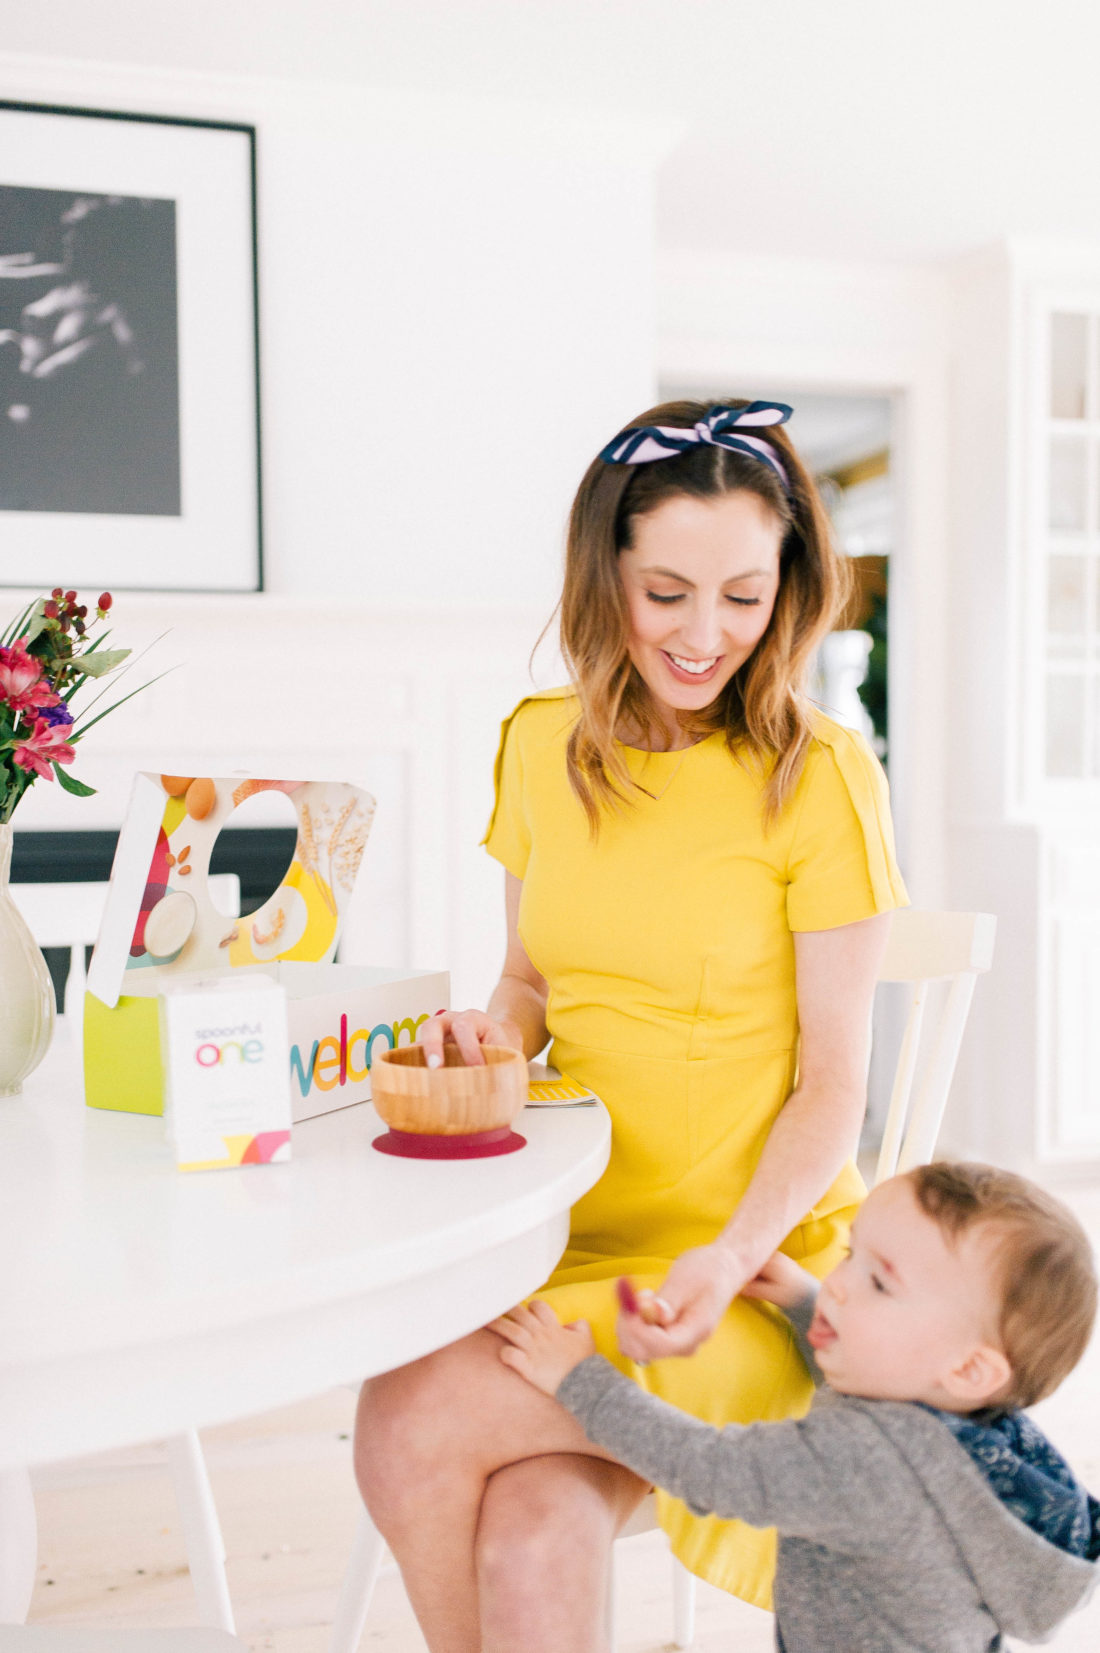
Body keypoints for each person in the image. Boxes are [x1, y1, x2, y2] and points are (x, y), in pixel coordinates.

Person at [355, 398, 909, 1652]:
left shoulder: (819, 780)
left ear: (791, 589)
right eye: (664, 593)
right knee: (531, 1525)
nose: (703, 635)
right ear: (604, 573)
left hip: (748, 1271)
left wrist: (724, 1262)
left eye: (742, 596)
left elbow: (831, 1089)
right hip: (559, 1245)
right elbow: (530, 983)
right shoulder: (540, 746)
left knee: (407, 1424)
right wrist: (493, 1039)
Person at [493, 1160, 1100, 1652]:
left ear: (970, 1369)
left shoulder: (862, 1463)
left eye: (879, 1282)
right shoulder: (972, 1432)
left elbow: (703, 1466)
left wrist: (579, 1379)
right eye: (850, 1256)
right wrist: (806, 1301)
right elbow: (875, 1389)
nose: (840, 1282)